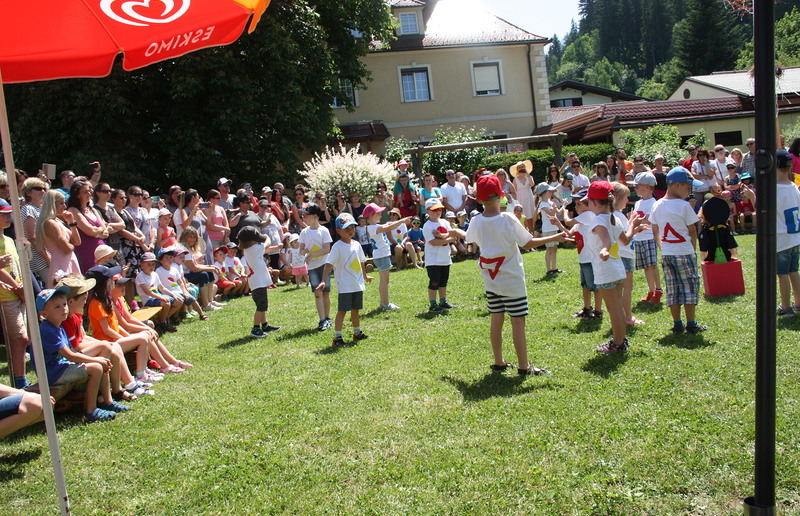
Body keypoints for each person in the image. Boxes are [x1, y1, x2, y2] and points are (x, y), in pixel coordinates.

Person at [465, 173, 566, 376]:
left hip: (491, 281)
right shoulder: (508, 218)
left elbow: (469, 239)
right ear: (501, 194)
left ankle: (499, 362)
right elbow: (527, 243)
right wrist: (556, 237)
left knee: (496, 319)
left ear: (479, 199)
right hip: (512, 280)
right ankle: (524, 366)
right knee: (518, 321)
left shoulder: (476, 220)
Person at [34, 286, 123, 422]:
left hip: (61, 367)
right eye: (57, 307)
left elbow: (71, 354)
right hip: (52, 373)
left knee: (98, 363)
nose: (64, 309)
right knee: (96, 367)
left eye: (64, 304)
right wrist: (97, 360)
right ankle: (91, 410)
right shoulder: (48, 330)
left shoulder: (58, 327)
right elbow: (70, 355)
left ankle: (106, 400)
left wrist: (97, 360)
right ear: (44, 314)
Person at [585, 182, 646, 353]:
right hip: (618, 270)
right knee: (618, 309)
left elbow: (605, 239)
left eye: (588, 201)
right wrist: (633, 226)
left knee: (614, 310)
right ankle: (621, 340)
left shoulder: (599, 221)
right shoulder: (614, 218)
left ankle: (618, 344)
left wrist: (605, 250)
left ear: (594, 202)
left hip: (606, 272)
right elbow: (625, 240)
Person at [650, 167, 706, 334]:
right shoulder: (684, 205)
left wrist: (661, 246)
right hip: (684, 252)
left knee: (672, 288)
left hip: (667, 254)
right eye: (688, 187)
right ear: (677, 185)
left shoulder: (656, 205)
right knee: (689, 288)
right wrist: (693, 250)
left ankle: (677, 323)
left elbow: (655, 229)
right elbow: (692, 230)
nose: (690, 191)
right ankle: (691, 323)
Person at [315, 213, 372, 347]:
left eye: (352, 227)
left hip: (357, 284)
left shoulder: (357, 244)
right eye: (347, 228)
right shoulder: (337, 246)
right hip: (345, 285)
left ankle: (357, 333)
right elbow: (328, 264)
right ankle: (337, 338)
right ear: (338, 231)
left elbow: (362, 262)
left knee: (356, 309)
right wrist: (323, 280)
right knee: (342, 311)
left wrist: (365, 276)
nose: (350, 231)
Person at [0, 200, 30, 388]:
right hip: (6, 296)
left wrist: (22, 288)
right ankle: (20, 382)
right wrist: (18, 288)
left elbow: (16, 267)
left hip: (18, 294)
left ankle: (20, 378)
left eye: (9, 213)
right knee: (20, 339)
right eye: (3, 214)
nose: (8, 217)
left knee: (23, 340)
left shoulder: (9, 240)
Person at [363, 203, 411, 311]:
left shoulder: (373, 227)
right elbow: (388, 227)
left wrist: (399, 221)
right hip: (382, 256)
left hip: (381, 255)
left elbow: (388, 225)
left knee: (385, 281)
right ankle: (385, 304)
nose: (381, 216)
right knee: (384, 281)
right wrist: (402, 221)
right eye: (378, 213)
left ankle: (384, 302)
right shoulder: (374, 228)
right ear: (371, 215)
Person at [422, 198, 466, 312]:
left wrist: (443, 237)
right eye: (434, 210)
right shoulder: (427, 226)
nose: (438, 212)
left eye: (440, 209)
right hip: (433, 260)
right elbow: (433, 242)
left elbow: (453, 236)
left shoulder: (445, 222)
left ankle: (443, 301)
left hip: (445, 258)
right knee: (434, 282)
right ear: (427, 211)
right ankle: (433, 304)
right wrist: (448, 239)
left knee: (443, 282)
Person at [237, 226, 282, 338]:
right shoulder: (255, 249)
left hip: (256, 282)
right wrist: (266, 237)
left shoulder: (249, 250)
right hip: (258, 282)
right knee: (261, 306)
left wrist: (277, 247)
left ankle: (265, 325)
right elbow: (267, 243)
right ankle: (256, 328)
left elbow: (265, 250)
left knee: (262, 304)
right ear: (251, 240)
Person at [611, 182, 644, 326]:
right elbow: (625, 238)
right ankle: (628, 317)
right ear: (618, 198)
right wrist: (633, 225)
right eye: (625, 198)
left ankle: (623, 316)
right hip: (624, 255)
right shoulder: (618, 216)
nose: (627, 200)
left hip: (618, 254)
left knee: (620, 289)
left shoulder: (613, 215)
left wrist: (631, 223)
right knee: (627, 288)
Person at [36, 190, 81, 288]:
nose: (64, 206)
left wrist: (71, 222)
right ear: (52, 204)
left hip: (68, 260)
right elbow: (66, 248)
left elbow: (77, 242)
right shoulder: (50, 223)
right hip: (61, 262)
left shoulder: (57, 221)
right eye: (61, 203)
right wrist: (71, 246)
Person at [299, 203, 333, 331]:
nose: (303, 217)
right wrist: (303, 251)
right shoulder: (304, 232)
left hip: (324, 265)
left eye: (305, 215)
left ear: (315, 216)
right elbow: (301, 250)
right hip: (312, 267)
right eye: (302, 215)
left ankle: (328, 318)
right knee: (317, 293)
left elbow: (327, 249)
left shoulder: (323, 231)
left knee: (325, 293)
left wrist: (312, 254)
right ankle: (322, 319)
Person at [775, 149, 800, 317]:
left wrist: (752, 197)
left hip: (781, 239)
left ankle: (785, 307)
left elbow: (764, 213)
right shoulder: (794, 187)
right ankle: (798, 303)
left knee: (782, 274)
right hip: (794, 237)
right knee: (793, 271)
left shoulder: (774, 190)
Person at [630, 172, 663, 304]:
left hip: (649, 238)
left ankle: (658, 290)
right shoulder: (638, 203)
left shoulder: (653, 203)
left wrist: (635, 222)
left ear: (648, 187)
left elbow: (648, 221)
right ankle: (651, 290)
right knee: (646, 266)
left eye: (637, 186)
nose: (635, 188)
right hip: (639, 238)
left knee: (652, 265)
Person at [68, 179, 109, 272]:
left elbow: (106, 232)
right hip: (86, 252)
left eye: (89, 191)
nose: (89, 194)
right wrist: (99, 230)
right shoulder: (73, 210)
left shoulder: (92, 210)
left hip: (101, 253)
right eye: (85, 192)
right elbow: (90, 231)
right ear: (77, 195)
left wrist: (96, 231)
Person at [156, 247, 208, 321]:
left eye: (171, 257)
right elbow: (159, 285)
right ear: (160, 260)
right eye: (166, 258)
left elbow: (180, 282)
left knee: (192, 299)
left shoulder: (174, 270)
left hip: (178, 291)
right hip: (169, 292)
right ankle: (166, 318)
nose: (169, 260)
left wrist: (184, 292)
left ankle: (202, 315)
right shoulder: (158, 271)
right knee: (179, 300)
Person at [135, 252, 181, 333]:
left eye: (153, 264)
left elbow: (162, 288)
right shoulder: (140, 276)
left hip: (157, 296)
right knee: (166, 303)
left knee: (178, 301)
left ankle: (164, 318)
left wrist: (173, 295)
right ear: (141, 265)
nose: (151, 266)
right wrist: (161, 297)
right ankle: (163, 324)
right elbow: (147, 292)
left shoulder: (154, 274)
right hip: (148, 299)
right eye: (148, 264)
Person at [178, 226, 221, 312]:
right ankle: (205, 305)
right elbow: (194, 268)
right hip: (182, 277)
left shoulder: (188, 248)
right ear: (184, 237)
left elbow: (195, 265)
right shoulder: (183, 249)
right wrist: (212, 268)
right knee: (203, 275)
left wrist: (211, 267)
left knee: (209, 273)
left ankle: (210, 301)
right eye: (190, 237)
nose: (192, 239)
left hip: (186, 273)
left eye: (194, 237)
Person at [20, 177, 49, 285]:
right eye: (38, 188)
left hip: (49, 254)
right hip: (40, 260)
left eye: (44, 189)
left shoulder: (42, 209)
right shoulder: (28, 209)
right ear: (28, 193)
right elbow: (32, 238)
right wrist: (48, 258)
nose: (42, 191)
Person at [535, 183, 561, 275]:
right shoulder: (542, 204)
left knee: (554, 248)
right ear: (544, 193)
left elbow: (558, 213)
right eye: (549, 192)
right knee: (549, 249)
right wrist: (554, 208)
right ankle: (549, 269)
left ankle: (554, 268)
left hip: (553, 228)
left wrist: (564, 205)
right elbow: (552, 214)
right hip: (547, 229)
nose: (551, 193)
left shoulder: (550, 202)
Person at [511, 161, 536, 234]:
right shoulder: (515, 179)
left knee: (530, 218)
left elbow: (532, 184)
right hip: (520, 199)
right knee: (522, 218)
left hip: (529, 199)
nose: (521, 169)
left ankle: (532, 233)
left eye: (522, 167)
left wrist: (528, 175)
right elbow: (514, 191)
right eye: (519, 167)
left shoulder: (529, 177)